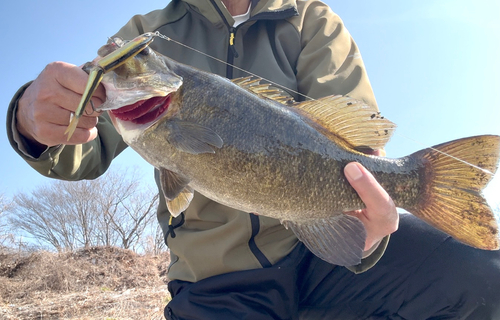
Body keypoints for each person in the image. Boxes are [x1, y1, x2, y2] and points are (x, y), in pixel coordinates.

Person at [6, 0, 500, 319]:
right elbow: (81, 149)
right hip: (216, 278)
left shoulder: (314, 20)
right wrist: (31, 119)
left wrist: (379, 200)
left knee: (483, 276)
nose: (118, 63)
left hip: (322, 254)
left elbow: (355, 137)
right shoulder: (144, 37)